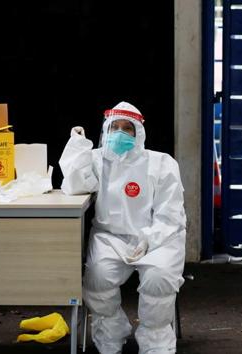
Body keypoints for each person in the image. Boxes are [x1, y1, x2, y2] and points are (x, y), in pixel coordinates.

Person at [59, 101, 186, 354]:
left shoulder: (162, 163)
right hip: (110, 237)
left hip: (159, 237)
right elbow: (74, 186)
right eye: (113, 127)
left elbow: (170, 214)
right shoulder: (97, 160)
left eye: (126, 128)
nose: (119, 133)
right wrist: (78, 148)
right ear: (105, 131)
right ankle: (112, 331)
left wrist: (149, 240)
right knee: (96, 278)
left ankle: (156, 341)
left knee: (158, 279)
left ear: (138, 132)